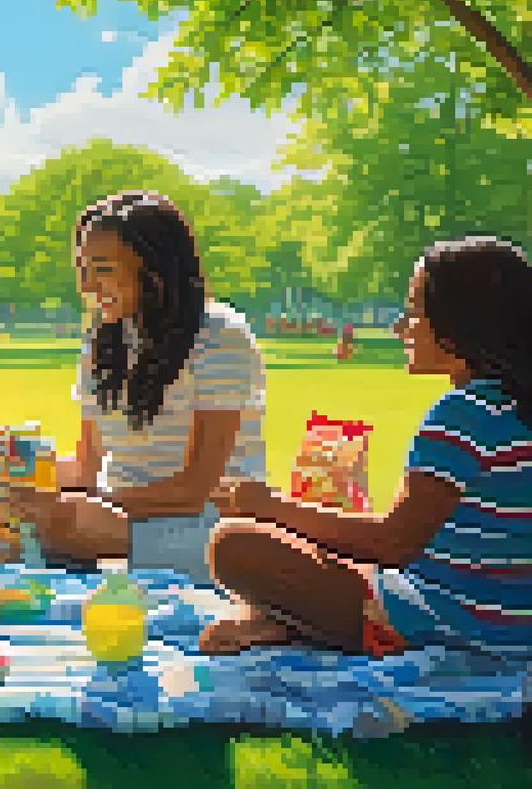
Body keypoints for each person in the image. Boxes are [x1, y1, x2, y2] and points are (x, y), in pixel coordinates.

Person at [201, 237, 532, 659]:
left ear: (459, 322)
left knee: (233, 544)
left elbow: (393, 544)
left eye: (414, 311)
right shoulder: (511, 408)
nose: (400, 327)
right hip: (510, 622)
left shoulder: (464, 413)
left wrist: (269, 506)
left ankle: (297, 626)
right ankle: (283, 623)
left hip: (450, 624)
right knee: (318, 548)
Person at [1, 191, 267, 585]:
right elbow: (87, 466)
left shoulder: (219, 336)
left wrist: (91, 504)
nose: (88, 286)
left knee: (63, 526)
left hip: (205, 522)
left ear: (155, 269)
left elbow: (197, 488)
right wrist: (11, 478)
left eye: (103, 269)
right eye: (82, 269)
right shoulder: (103, 340)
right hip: (116, 512)